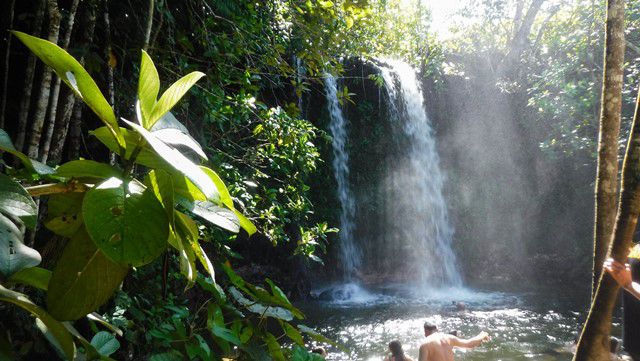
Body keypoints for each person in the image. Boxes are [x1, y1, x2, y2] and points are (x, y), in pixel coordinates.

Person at [418, 322, 490, 361]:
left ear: (426, 331)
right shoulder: (449, 337)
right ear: (437, 329)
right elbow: (469, 344)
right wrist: (481, 336)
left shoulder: (425, 344)